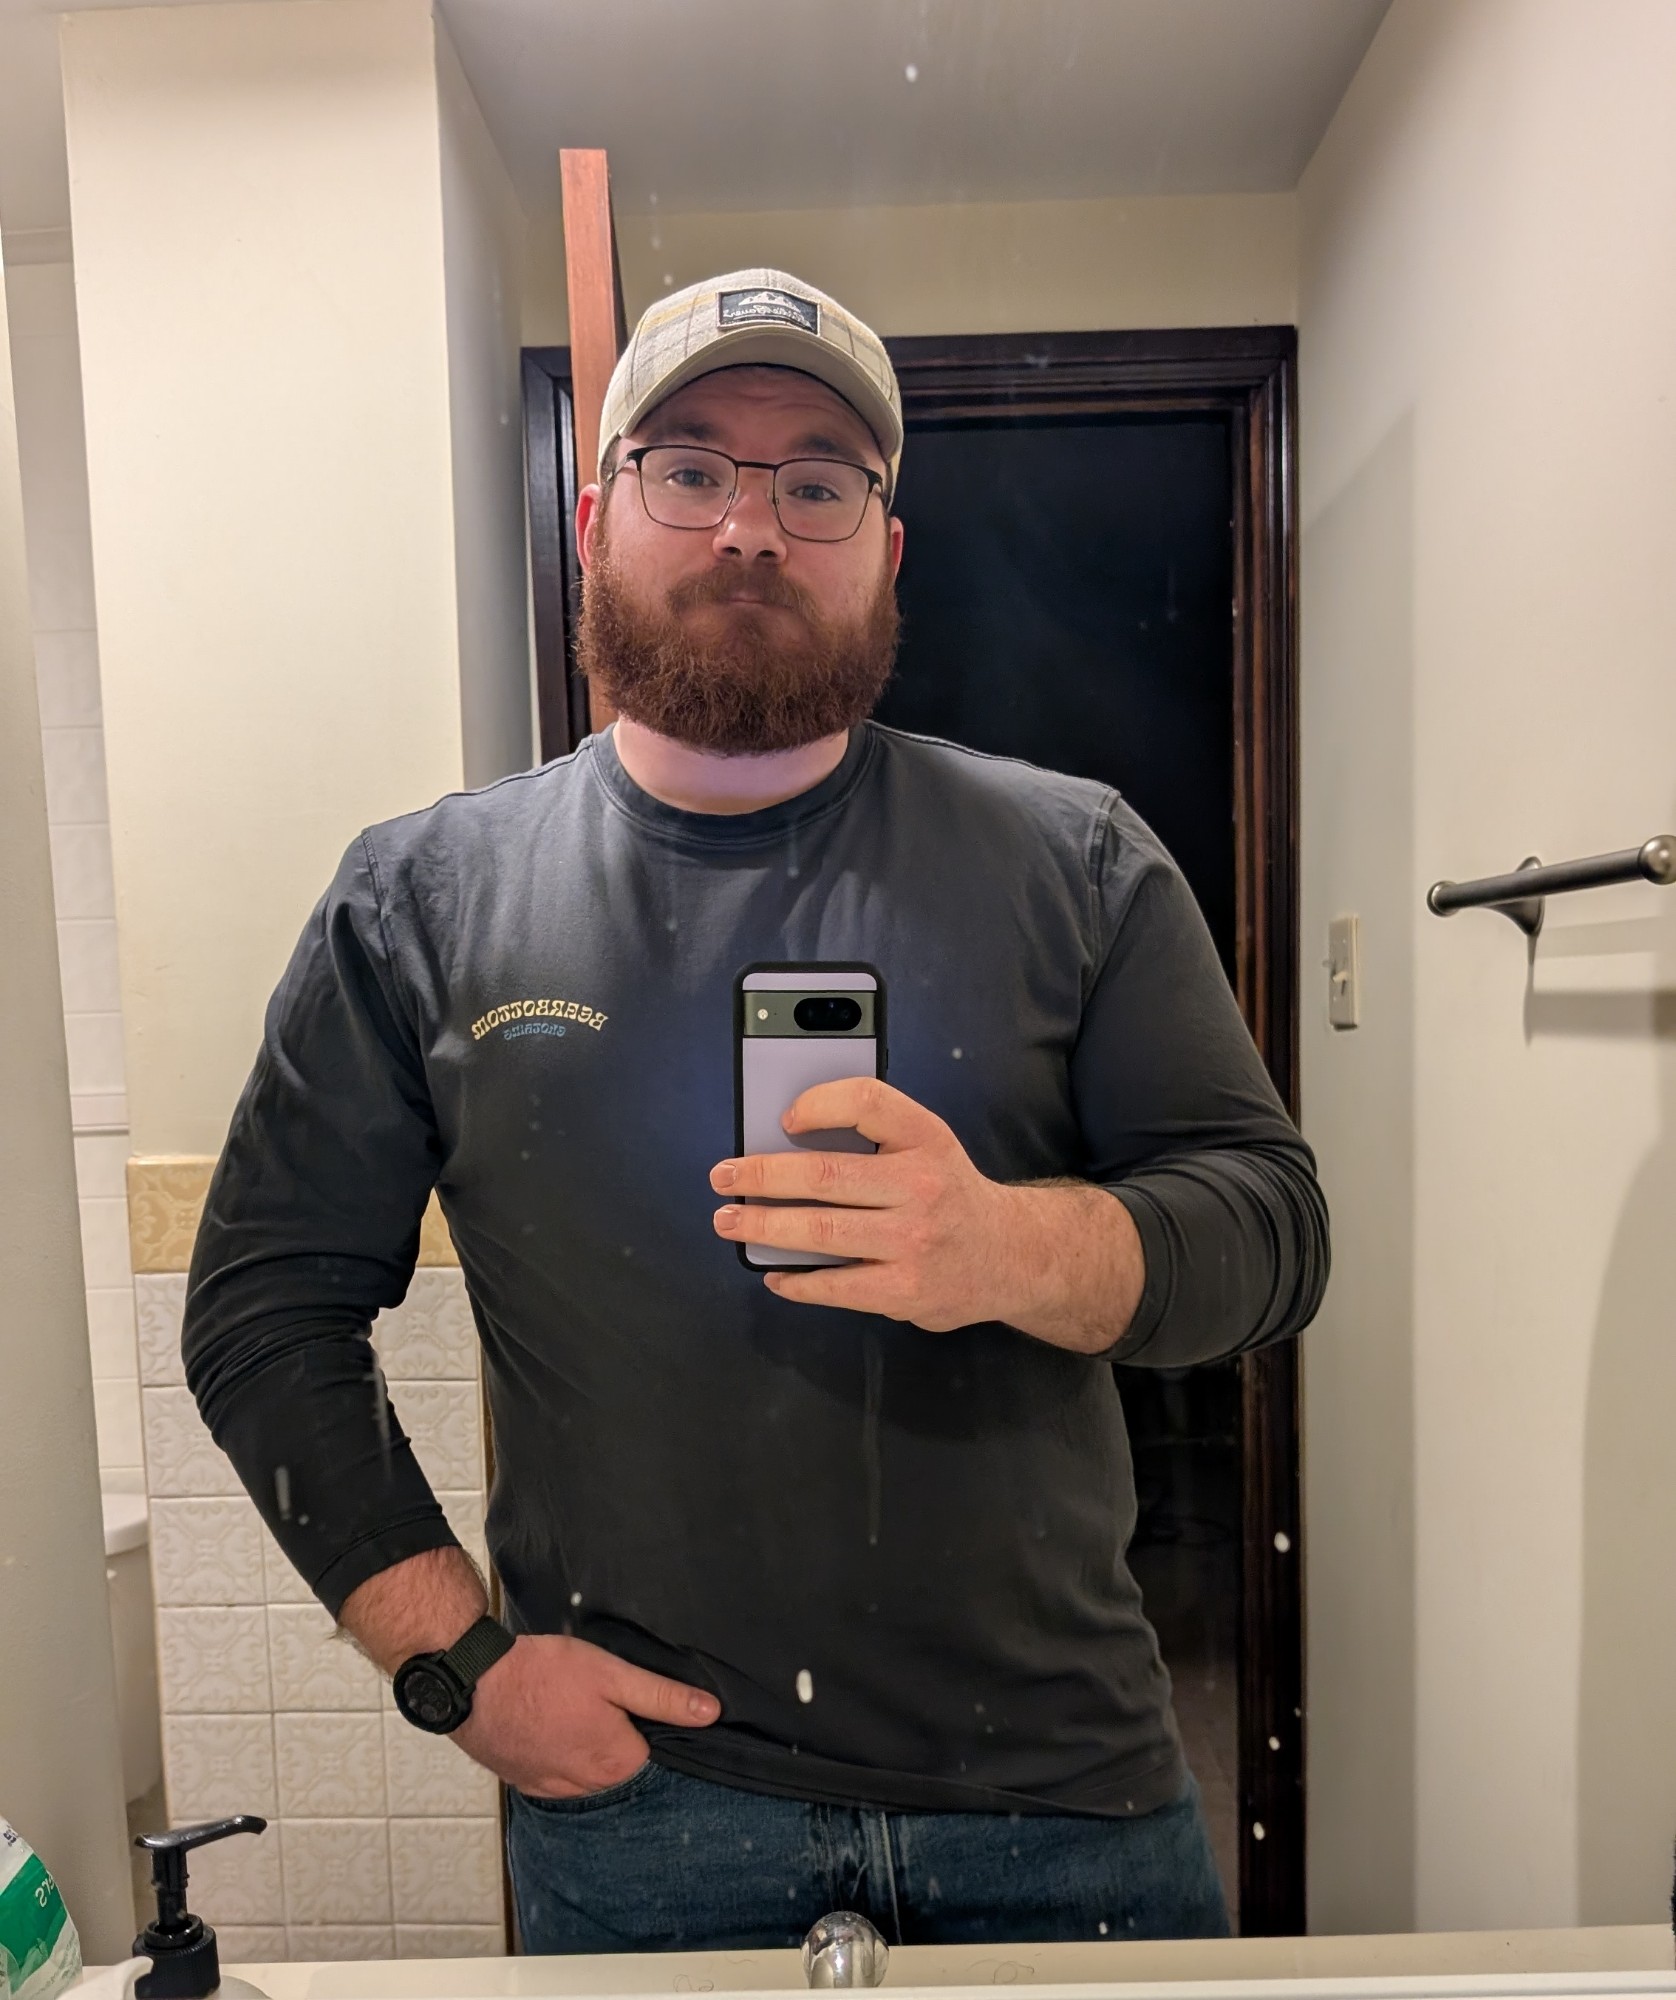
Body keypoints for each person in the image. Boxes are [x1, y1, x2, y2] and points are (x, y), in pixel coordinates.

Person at [184, 267, 1329, 1953]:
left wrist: (1010, 1247)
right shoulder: (422, 900)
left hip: (1063, 1793)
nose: (749, 528)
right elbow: (262, 1310)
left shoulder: (1075, 860)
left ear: (887, 547)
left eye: (816, 482)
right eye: (691, 468)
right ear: (597, 519)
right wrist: (458, 1669)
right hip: (645, 1810)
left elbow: (1275, 1236)